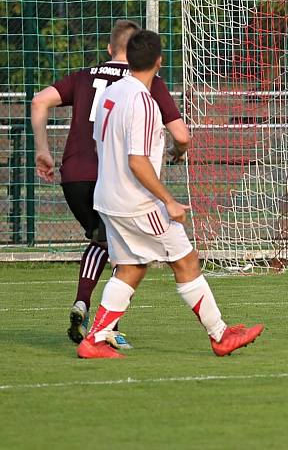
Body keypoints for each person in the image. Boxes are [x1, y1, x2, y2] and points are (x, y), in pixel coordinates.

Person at [76, 29, 263, 359]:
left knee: (131, 268)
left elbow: (102, 142)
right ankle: (220, 335)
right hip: (138, 202)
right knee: (186, 261)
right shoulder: (144, 103)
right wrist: (168, 200)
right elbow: (137, 161)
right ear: (159, 62)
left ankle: (94, 340)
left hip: (107, 197)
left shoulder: (111, 93)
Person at [31, 19, 190, 350]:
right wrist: (176, 152)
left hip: (74, 175)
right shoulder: (144, 81)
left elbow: (38, 101)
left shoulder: (84, 76)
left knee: (104, 241)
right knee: (127, 254)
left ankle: (88, 310)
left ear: (109, 48)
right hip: (116, 180)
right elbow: (181, 135)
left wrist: (43, 150)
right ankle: (103, 324)